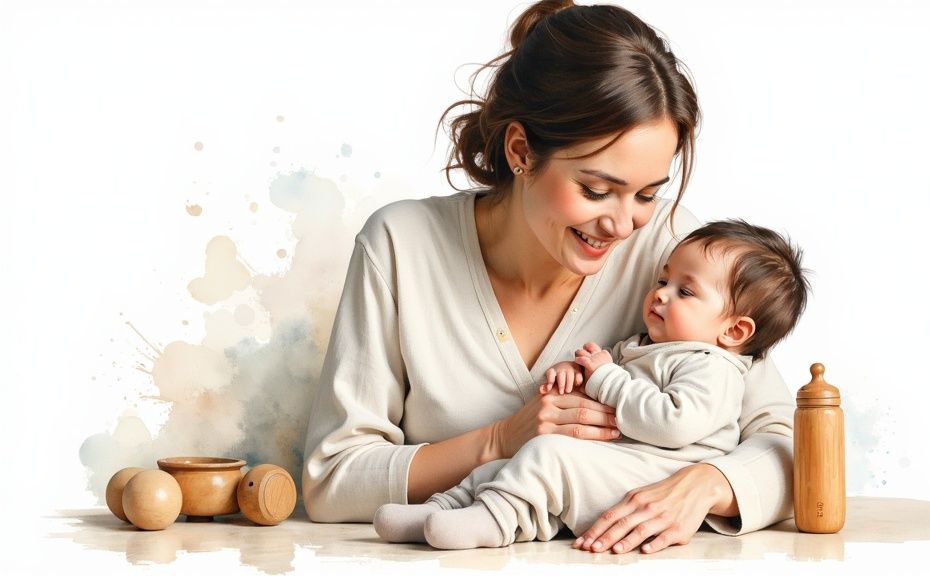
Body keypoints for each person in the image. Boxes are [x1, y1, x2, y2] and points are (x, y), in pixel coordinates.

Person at [302, 0, 797, 554]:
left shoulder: (675, 256)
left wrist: (705, 486)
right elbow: (332, 480)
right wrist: (498, 440)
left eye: (648, 194)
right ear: (520, 151)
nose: (622, 223)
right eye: (595, 189)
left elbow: (788, 445)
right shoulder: (401, 245)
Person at [371, 220, 809, 549]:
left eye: (685, 292)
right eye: (662, 280)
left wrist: (605, 377)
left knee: (547, 454)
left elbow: (672, 422)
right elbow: (602, 378)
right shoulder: (648, 345)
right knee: (514, 464)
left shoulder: (713, 367)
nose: (660, 294)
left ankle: (494, 521)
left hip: (659, 473)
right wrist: (575, 374)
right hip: (619, 462)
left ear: (734, 332)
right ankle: (439, 511)